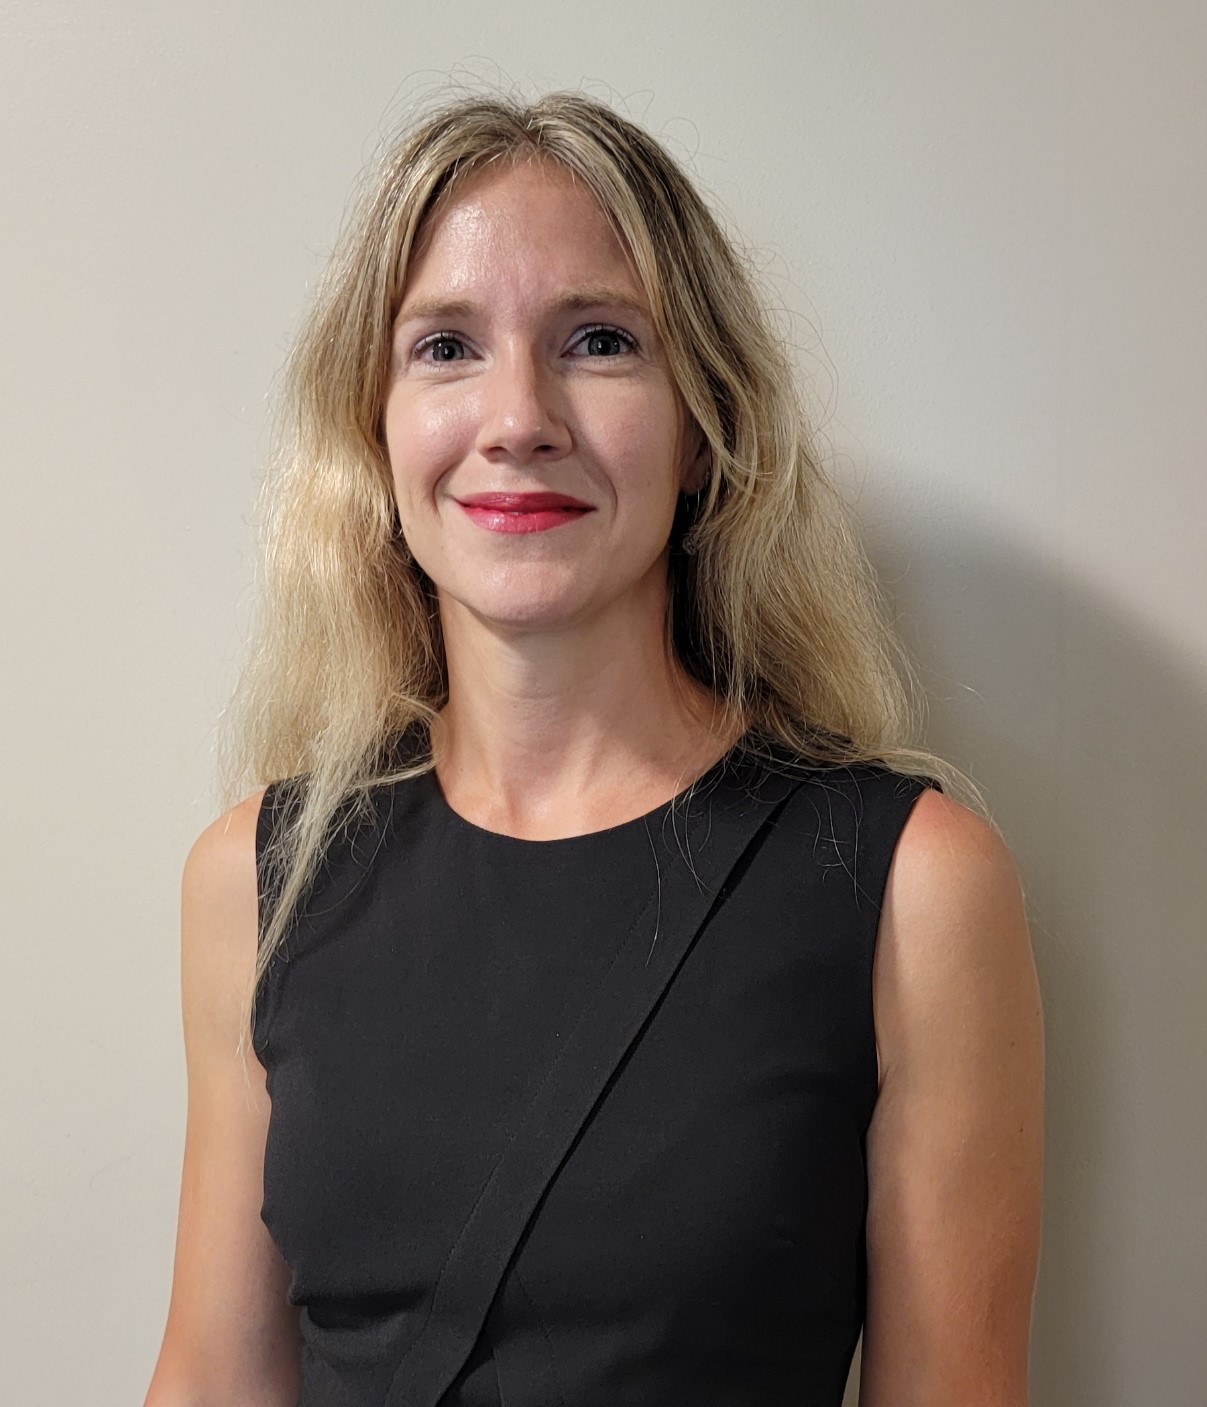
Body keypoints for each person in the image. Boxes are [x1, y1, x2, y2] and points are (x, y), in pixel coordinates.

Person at [144, 91, 1044, 1407]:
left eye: (601, 341)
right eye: (445, 347)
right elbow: (214, 1384)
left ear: (704, 433)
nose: (519, 417)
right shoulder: (256, 879)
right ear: (375, 432)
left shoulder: (912, 886)